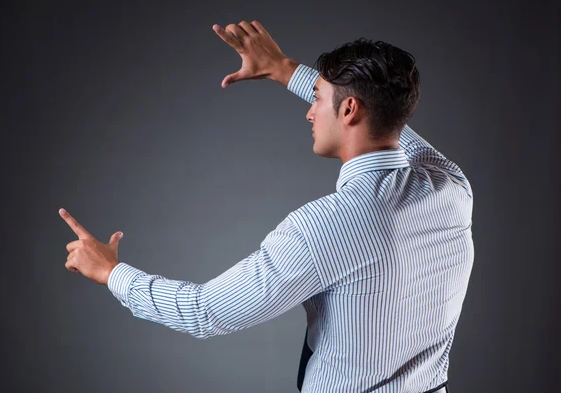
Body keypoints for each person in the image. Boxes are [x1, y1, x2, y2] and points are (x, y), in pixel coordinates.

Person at [62, 20, 474, 393]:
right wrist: (282, 68)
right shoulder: (451, 186)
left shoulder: (324, 227)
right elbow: (393, 122)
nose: (310, 113)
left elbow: (205, 311)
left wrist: (111, 272)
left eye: (317, 98)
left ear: (349, 109)